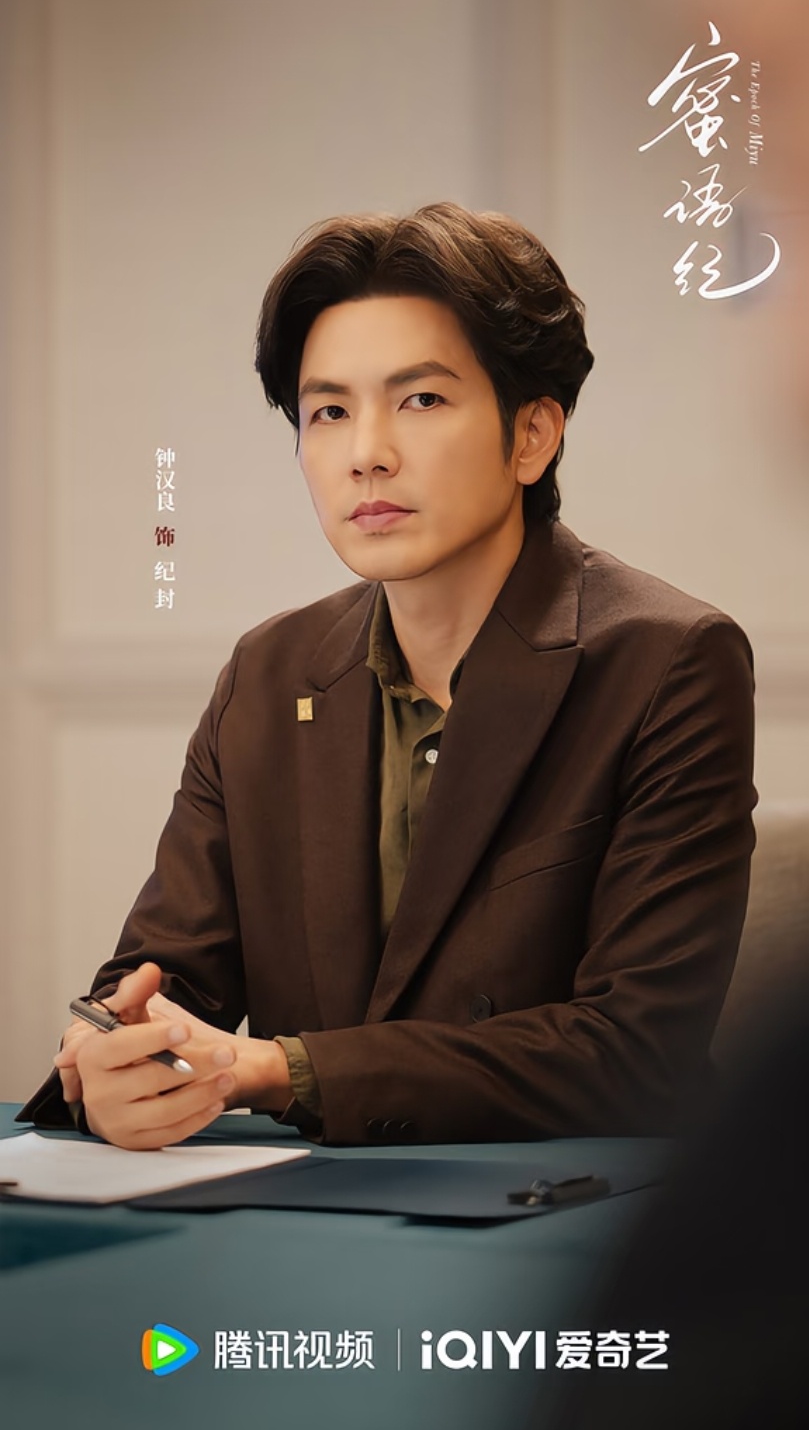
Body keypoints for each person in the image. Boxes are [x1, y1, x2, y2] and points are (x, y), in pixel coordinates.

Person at [18, 202, 756, 1151]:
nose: (366, 452)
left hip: (563, 1204)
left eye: (421, 400)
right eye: (329, 411)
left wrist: (277, 1070)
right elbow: (166, 978)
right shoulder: (268, 673)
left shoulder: (667, 660)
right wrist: (110, 1057)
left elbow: (633, 1048)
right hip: (307, 1204)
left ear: (532, 434)